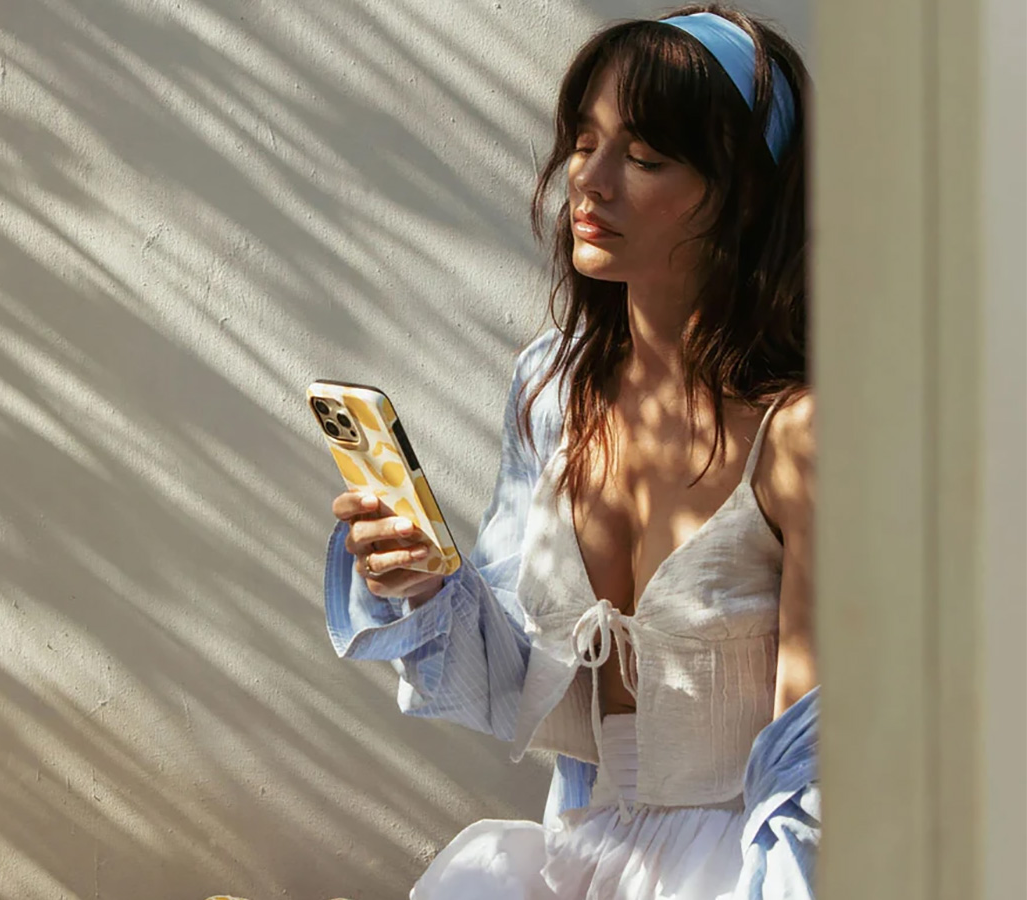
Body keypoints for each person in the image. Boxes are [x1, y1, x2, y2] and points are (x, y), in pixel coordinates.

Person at [323, 4, 818, 898]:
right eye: (585, 142)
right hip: (576, 855)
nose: (589, 179)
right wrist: (423, 585)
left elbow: (821, 764)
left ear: (744, 193)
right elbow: (517, 680)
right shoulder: (553, 388)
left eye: (645, 155)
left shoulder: (800, 432)